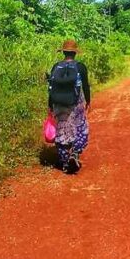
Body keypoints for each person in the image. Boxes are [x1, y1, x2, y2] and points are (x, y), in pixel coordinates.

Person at [47, 39, 91, 174]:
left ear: (63, 52)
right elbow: (85, 86)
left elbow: (51, 87)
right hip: (75, 104)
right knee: (80, 129)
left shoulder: (56, 67)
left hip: (58, 104)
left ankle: (64, 161)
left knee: (62, 131)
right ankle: (75, 153)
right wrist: (88, 101)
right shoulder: (80, 67)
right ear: (75, 53)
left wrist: (50, 105)